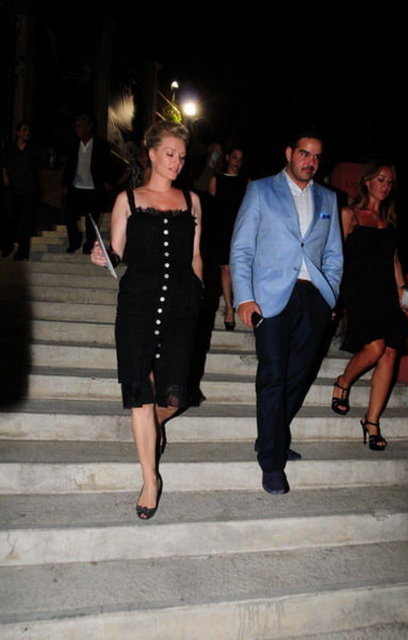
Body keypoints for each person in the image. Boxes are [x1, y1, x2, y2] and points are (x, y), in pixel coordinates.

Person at [91, 120, 202, 519]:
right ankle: (150, 480)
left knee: (174, 397)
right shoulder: (128, 199)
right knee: (140, 392)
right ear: (151, 154)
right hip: (138, 303)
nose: (176, 162)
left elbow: (196, 255)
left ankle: (152, 428)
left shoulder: (192, 200)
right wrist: (104, 255)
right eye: (170, 154)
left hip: (181, 304)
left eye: (182, 157)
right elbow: (117, 250)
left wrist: (198, 295)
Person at [230, 129, 343, 495]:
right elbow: (242, 248)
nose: (310, 161)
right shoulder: (261, 190)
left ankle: (271, 436)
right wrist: (244, 297)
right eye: (304, 154)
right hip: (271, 296)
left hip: (313, 297)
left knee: (300, 375)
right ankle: (271, 461)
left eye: (316, 157)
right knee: (273, 375)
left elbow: (334, 254)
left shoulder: (328, 198)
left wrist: (330, 296)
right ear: (289, 153)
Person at [331, 161, 408, 449]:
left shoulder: (389, 221)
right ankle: (343, 381)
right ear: (367, 181)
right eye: (380, 179)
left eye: (389, 181)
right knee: (375, 349)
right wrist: (333, 294)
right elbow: (335, 256)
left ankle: (372, 421)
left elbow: (393, 260)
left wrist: (403, 291)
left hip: (386, 293)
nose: (385, 185)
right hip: (359, 291)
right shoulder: (348, 214)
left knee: (390, 353)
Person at [209, 147, 248, 330]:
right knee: (225, 268)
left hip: (240, 231)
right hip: (222, 230)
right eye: (234, 157)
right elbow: (211, 208)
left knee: (237, 268)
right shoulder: (217, 180)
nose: (237, 162)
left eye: (240, 159)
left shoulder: (246, 182)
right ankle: (229, 308)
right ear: (227, 158)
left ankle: (238, 301)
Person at [63, 114, 112, 254]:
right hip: (76, 186)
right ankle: (74, 242)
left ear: (89, 127)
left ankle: (89, 244)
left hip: (93, 188)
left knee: (92, 219)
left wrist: (107, 182)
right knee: (70, 215)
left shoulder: (101, 144)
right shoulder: (73, 143)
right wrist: (65, 184)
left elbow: (107, 164)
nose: (77, 130)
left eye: (80, 126)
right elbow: (68, 165)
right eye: (76, 127)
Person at [1, 122, 49, 260]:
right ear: (17, 132)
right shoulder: (10, 148)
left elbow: (44, 161)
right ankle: (7, 245)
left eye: (29, 130)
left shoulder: (33, 148)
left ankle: (23, 251)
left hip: (29, 190)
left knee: (25, 222)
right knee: (9, 218)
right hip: (12, 189)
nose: (27, 132)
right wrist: (5, 177)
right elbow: (4, 164)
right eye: (24, 130)